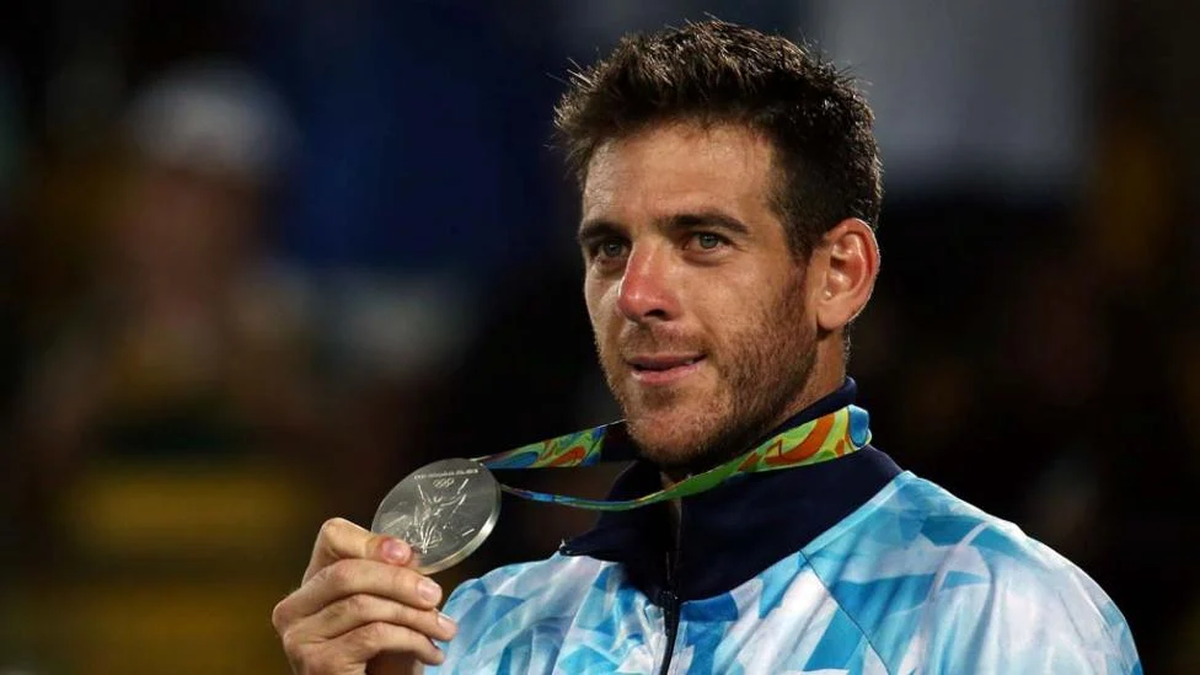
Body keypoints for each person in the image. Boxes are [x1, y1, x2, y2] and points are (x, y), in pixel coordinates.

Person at [271, 20, 1141, 674]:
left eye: (704, 240)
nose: (637, 295)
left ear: (839, 274)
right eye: (609, 247)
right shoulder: (492, 632)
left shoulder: (1002, 617)